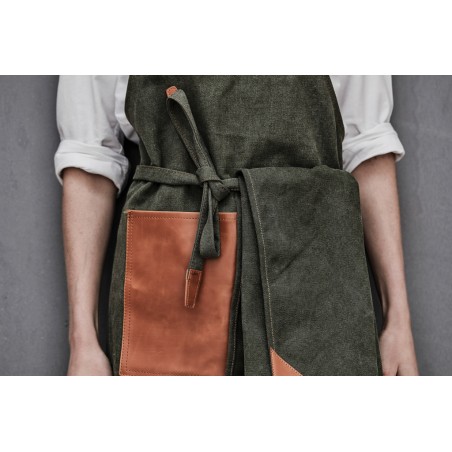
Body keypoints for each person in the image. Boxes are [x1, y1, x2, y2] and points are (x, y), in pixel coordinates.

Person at [55, 75, 419, 376]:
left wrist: (398, 322)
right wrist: (83, 341)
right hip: (176, 268)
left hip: (313, 271)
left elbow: (367, 147)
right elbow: (90, 159)